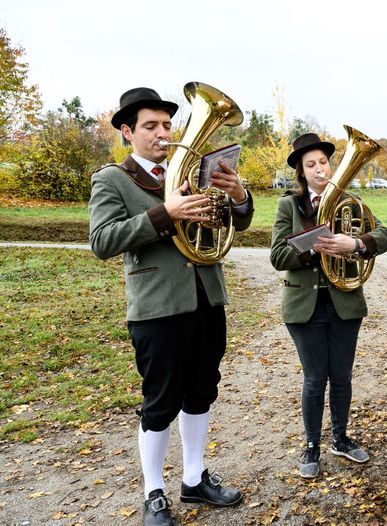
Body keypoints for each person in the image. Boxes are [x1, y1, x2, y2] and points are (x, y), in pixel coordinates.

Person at [89, 87, 252, 526]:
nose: (163, 133)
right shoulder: (112, 179)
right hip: (157, 307)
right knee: (160, 400)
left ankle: (194, 479)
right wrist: (167, 213)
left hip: (206, 298)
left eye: (167, 125)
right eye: (150, 126)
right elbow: (102, 241)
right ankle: (153, 491)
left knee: (202, 390)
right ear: (127, 131)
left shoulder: (192, 171)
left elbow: (236, 222)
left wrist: (237, 196)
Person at [270, 133, 387, 479]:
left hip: (344, 304)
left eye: (323, 162)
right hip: (303, 306)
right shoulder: (288, 206)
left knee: (341, 376)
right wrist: (316, 246)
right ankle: (312, 445)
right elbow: (278, 256)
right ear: (302, 172)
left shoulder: (349, 200)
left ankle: (340, 438)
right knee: (314, 378)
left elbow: (385, 236)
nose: (319, 169)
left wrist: (354, 242)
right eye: (311, 165)